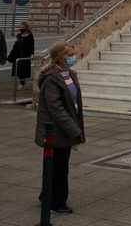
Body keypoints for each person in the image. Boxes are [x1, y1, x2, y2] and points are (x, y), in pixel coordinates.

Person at [36, 41, 85, 215]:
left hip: (66, 126)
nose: (73, 57)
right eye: (70, 55)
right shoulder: (51, 78)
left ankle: (46, 195)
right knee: (59, 167)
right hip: (56, 130)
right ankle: (57, 203)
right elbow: (55, 108)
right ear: (60, 58)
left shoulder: (69, 73)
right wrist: (74, 129)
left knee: (57, 165)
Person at [8, 21, 36, 89]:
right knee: (17, 69)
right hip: (18, 53)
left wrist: (32, 54)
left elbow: (31, 46)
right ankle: (21, 82)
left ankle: (22, 83)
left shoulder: (29, 36)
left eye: (22, 27)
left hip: (25, 54)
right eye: (20, 27)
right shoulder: (19, 35)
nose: (21, 29)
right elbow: (16, 46)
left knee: (23, 70)